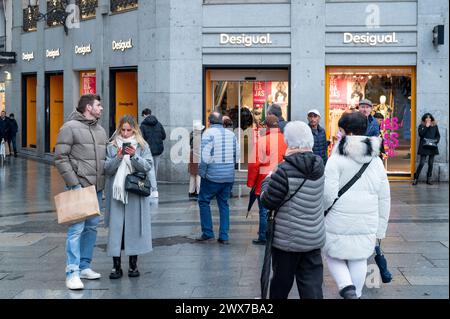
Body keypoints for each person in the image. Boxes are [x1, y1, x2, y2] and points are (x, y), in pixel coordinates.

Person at [323, 111, 390, 299]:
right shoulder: (376, 161)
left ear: (349, 134)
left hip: (338, 218)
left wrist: (322, 211)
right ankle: (356, 294)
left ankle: (346, 287)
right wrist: (381, 227)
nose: (338, 135)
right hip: (367, 219)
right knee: (360, 257)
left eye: (341, 131)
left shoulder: (336, 158)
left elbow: (328, 194)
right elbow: (384, 196)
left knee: (333, 254)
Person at [260, 121, 326, 299]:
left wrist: (268, 179)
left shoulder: (283, 170)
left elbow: (267, 201)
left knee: (281, 284)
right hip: (313, 238)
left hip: (287, 241)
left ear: (288, 142)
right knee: (312, 286)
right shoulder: (319, 166)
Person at [54, 94, 107, 290]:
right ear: (88, 107)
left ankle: (85, 266)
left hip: (97, 188)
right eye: (98, 105)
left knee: (92, 228)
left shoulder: (100, 130)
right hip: (80, 185)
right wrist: (74, 183)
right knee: (76, 230)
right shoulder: (69, 127)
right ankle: (72, 272)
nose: (101, 108)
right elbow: (60, 157)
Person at [104, 115, 153, 279]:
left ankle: (133, 265)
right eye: (122, 130)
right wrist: (118, 157)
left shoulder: (142, 145)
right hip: (116, 193)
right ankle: (116, 266)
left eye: (128, 130)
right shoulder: (111, 146)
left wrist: (134, 156)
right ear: (119, 129)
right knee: (116, 229)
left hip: (135, 192)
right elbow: (107, 169)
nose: (125, 134)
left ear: (134, 129)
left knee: (134, 227)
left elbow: (147, 166)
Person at [196, 112, 239, 245]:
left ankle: (208, 233)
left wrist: (202, 173)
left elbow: (204, 158)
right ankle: (224, 236)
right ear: (222, 121)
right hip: (228, 177)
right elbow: (236, 156)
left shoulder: (208, 134)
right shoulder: (231, 134)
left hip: (212, 176)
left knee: (204, 201)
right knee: (224, 204)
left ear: (209, 121)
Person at [247, 115, 287, 245]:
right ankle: (278, 235)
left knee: (263, 210)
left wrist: (251, 182)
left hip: (264, 181)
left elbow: (254, 164)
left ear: (267, 126)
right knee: (280, 210)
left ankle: (263, 236)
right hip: (282, 179)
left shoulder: (263, 141)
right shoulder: (286, 140)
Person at [140, 108, 166, 199]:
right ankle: (154, 189)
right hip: (158, 150)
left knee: (149, 170)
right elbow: (164, 136)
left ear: (144, 115)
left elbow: (141, 139)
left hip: (148, 151)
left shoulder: (142, 126)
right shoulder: (158, 124)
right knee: (155, 170)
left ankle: (152, 188)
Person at [412, 113, 440, 185]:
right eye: (426, 118)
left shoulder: (435, 126)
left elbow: (438, 135)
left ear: (431, 119)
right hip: (424, 147)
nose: (428, 119)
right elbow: (421, 134)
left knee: (431, 163)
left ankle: (428, 179)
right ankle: (416, 178)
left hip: (432, 147)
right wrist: (426, 127)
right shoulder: (421, 126)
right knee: (421, 163)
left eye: (429, 118)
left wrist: (436, 140)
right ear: (424, 119)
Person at [188, 121, 205, 199]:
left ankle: (191, 191)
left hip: (192, 155)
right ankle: (198, 192)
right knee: (198, 175)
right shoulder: (200, 136)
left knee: (192, 174)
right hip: (197, 156)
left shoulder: (192, 134)